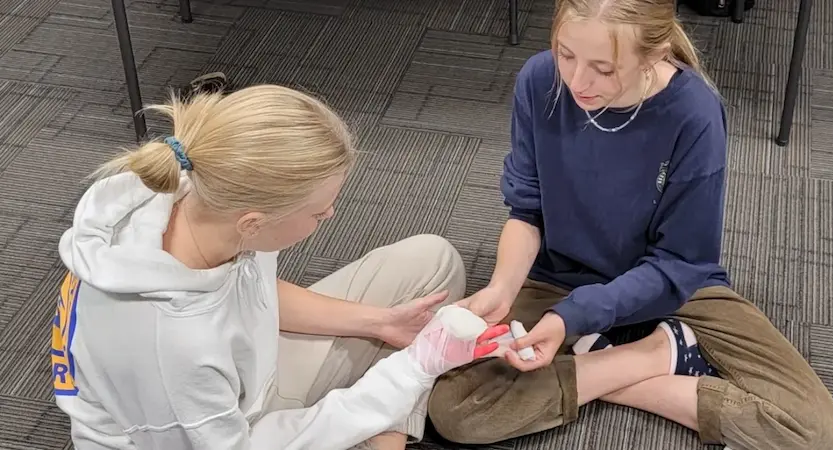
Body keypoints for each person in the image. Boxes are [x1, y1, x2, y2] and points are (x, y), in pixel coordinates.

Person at [426, 1, 833, 449]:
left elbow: (680, 263)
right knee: (455, 412)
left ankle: (619, 357)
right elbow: (526, 211)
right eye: (565, 54)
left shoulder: (694, 115)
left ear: (655, 55)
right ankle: (654, 355)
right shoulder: (538, 79)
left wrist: (574, 320)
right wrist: (503, 288)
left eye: (603, 69)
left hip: (674, 288)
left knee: (812, 429)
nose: (576, 82)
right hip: (558, 279)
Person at [51, 83, 506, 450]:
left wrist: (381, 323)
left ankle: (381, 420)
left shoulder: (199, 185)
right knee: (409, 368)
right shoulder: (175, 346)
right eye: (318, 211)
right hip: (221, 431)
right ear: (253, 223)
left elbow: (250, 289)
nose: (329, 217)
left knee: (433, 261)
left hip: (241, 378)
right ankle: (385, 427)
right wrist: (416, 368)